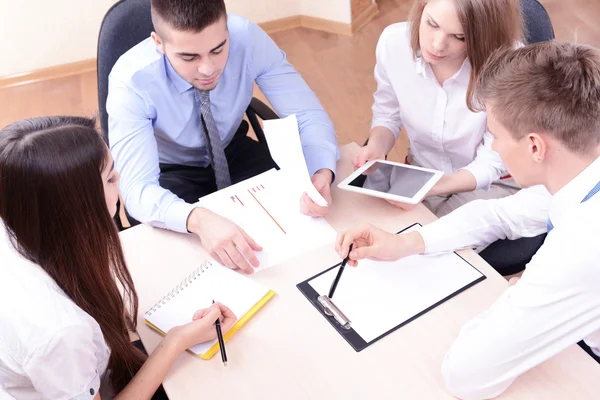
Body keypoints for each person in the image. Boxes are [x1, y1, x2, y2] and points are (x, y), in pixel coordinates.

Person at [336, 41, 600, 399]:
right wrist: (408, 243)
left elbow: (467, 375)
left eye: (498, 137)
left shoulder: (581, 244)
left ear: (535, 147)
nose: (494, 148)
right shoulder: (581, 169)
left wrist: (521, 293)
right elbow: (500, 213)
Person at [0, 116, 236, 399]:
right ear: (78, 206)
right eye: (110, 178)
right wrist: (176, 340)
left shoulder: (19, 221)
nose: (120, 179)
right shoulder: (61, 332)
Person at [107, 0, 339, 274]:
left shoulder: (247, 38)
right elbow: (137, 190)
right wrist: (198, 219)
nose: (208, 68)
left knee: (304, 243)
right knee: (190, 267)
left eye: (218, 49)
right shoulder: (131, 80)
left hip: (233, 147)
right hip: (169, 170)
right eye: (189, 57)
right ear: (158, 43)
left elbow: (308, 114)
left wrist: (322, 171)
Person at [354, 0, 522, 216]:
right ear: (421, 8)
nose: (437, 45)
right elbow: (387, 115)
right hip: (425, 173)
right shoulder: (393, 43)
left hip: (492, 183)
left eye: (459, 37)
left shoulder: (510, 65)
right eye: (432, 24)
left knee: (428, 239)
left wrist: (431, 187)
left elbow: (491, 164)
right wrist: (377, 146)